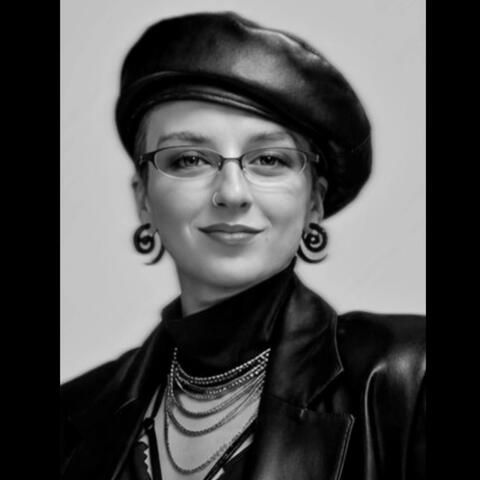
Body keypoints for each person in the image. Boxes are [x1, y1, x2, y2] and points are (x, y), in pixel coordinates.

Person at [60, 11, 425, 480]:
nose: (232, 193)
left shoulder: (409, 379)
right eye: (189, 159)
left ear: (314, 201)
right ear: (143, 199)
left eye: (269, 159)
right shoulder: (73, 413)